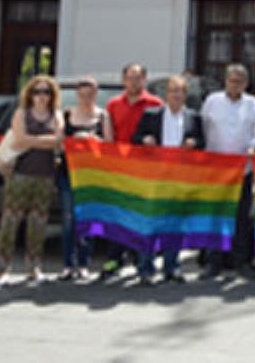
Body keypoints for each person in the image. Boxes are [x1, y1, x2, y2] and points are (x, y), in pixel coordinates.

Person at [132, 75, 205, 284]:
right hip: (155, 178)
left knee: (176, 225)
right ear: (166, 94)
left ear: (185, 95)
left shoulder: (193, 117)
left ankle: (171, 267)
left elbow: (203, 143)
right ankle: (145, 268)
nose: (177, 95)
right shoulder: (151, 115)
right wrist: (144, 139)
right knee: (150, 223)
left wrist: (194, 142)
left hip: (180, 178)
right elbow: (135, 138)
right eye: (173, 91)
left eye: (181, 91)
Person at [0, 75, 64, 286]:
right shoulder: (21, 113)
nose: (41, 96)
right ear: (30, 94)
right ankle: (2, 268)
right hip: (21, 174)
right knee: (11, 221)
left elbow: (58, 140)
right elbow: (20, 138)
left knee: (39, 222)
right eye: (37, 91)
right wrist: (43, 141)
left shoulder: (56, 115)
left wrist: (33, 141)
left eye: (46, 92)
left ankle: (34, 266)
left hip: (46, 175)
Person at [199, 63, 255, 279]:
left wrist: (254, 148)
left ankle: (241, 261)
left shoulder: (253, 104)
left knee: (241, 217)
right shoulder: (212, 101)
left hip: (242, 170)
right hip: (216, 170)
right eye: (231, 80)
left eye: (239, 81)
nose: (235, 84)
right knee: (215, 216)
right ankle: (213, 261)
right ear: (225, 81)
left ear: (245, 83)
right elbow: (203, 129)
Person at [100, 63, 162, 281]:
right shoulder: (113, 104)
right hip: (119, 170)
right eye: (130, 77)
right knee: (117, 216)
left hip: (146, 170)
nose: (133, 82)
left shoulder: (155, 104)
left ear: (144, 80)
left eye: (138, 78)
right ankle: (114, 259)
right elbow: (108, 138)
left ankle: (142, 261)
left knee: (142, 217)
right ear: (123, 80)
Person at [56, 75, 108, 282]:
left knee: (88, 219)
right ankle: (68, 264)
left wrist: (95, 141)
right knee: (68, 220)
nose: (86, 98)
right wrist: (73, 140)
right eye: (82, 94)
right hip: (69, 174)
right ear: (77, 95)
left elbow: (109, 146)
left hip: (92, 177)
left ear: (96, 94)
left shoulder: (103, 116)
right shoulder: (67, 115)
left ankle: (85, 263)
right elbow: (59, 143)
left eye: (90, 94)